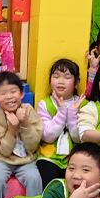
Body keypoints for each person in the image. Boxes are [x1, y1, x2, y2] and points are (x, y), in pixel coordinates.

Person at [36, 58, 82, 187]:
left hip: (76, 157)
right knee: (48, 179)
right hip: (49, 157)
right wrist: (62, 112)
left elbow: (78, 138)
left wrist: (72, 114)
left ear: (76, 83)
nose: (61, 81)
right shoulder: (45, 104)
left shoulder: (83, 104)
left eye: (67, 77)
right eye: (56, 76)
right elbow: (48, 136)